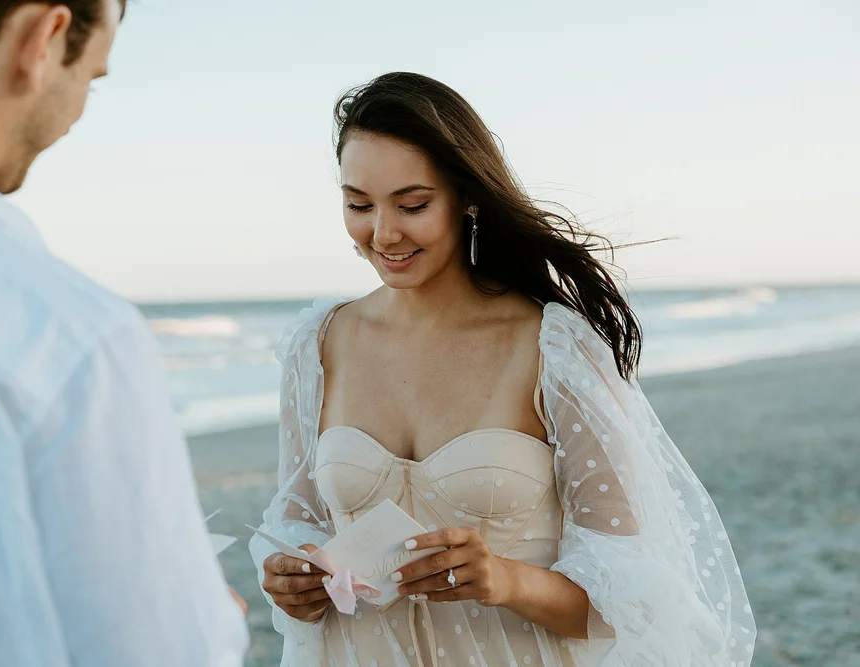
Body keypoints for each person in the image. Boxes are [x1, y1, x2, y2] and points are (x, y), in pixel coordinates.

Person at [249, 72, 756, 667]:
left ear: (467, 197)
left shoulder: (555, 348)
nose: (382, 233)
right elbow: (298, 522)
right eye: (358, 204)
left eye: (413, 205)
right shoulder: (317, 345)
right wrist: (291, 580)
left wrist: (507, 580)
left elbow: (632, 601)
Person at [0, 2, 247, 666]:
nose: (75, 116)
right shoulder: (69, 336)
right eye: (92, 78)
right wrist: (212, 623)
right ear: (45, 38)